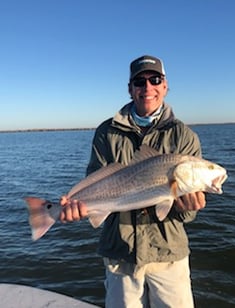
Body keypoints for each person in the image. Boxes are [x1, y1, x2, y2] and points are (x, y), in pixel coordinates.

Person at [60, 55, 206, 308]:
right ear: (130, 89)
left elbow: (185, 216)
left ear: (165, 85)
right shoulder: (107, 132)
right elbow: (96, 180)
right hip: (120, 252)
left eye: (155, 79)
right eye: (139, 81)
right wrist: (79, 207)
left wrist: (188, 207)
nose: (147, 87)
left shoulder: (184, 136)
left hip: (168, 253)